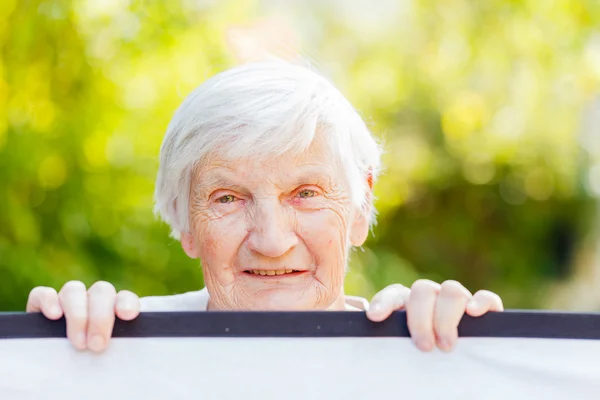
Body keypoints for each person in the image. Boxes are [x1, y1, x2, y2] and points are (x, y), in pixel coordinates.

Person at [26, 61, 503, 354]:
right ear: (187, 223)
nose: (272, 241)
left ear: (361, 207)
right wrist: (50, 357)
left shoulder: (432, 351)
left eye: (307, 194)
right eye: (228, 199)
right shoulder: (114, 347)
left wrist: (472, 360)